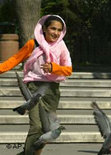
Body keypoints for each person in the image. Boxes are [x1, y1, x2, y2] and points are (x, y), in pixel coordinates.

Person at [0, 15, 72, 155]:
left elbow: (68, 69)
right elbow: (15, 59)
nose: (55, 33)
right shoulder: (33, 44)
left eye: (59, 30)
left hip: (52, 91)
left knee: (47, 129)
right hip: (34, 88)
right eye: (52, 28)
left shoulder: (61, 46)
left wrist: (54, 68)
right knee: (36, 126)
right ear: (44, 28)